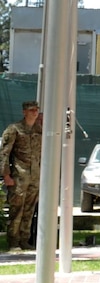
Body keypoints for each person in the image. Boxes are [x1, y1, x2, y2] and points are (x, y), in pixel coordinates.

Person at [0, 100, 42, 252]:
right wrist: (6, 175)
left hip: (35, 176)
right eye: (31, 110)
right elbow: (4, 153)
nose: (34, 112)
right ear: (24, 112)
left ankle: (24, 240)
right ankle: (13, 242)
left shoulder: (39, 130)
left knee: (29, 209)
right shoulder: (14, 129)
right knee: (16, 209)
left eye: (36, 110)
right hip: (19, 175)